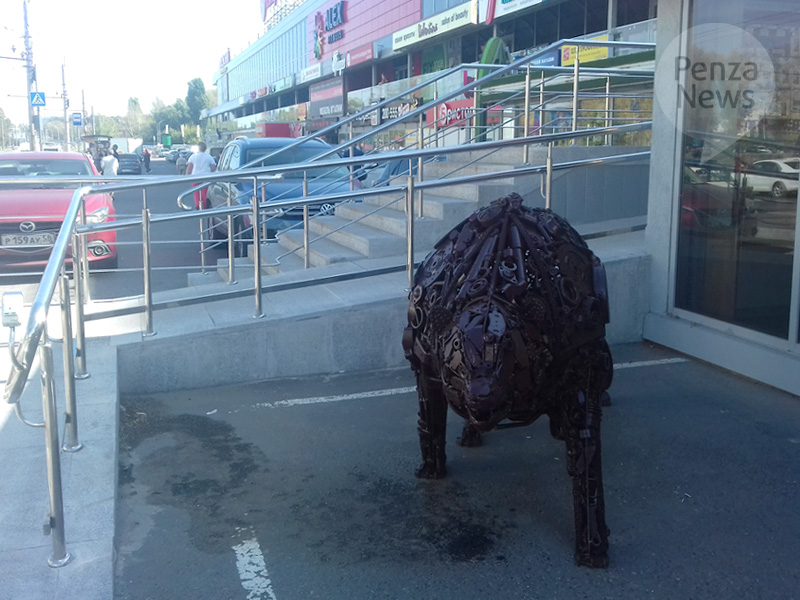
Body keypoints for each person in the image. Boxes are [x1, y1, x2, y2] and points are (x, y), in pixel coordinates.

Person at [185, 142, 217, 208]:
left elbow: (189, 169)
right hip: (206, 177)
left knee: (196, 192)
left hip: (195, 178)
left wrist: (187, 177)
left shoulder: (193, 157)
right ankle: (204, 206)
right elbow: (213, 168)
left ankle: (198, 205)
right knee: (205, 193)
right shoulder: (209, 157)